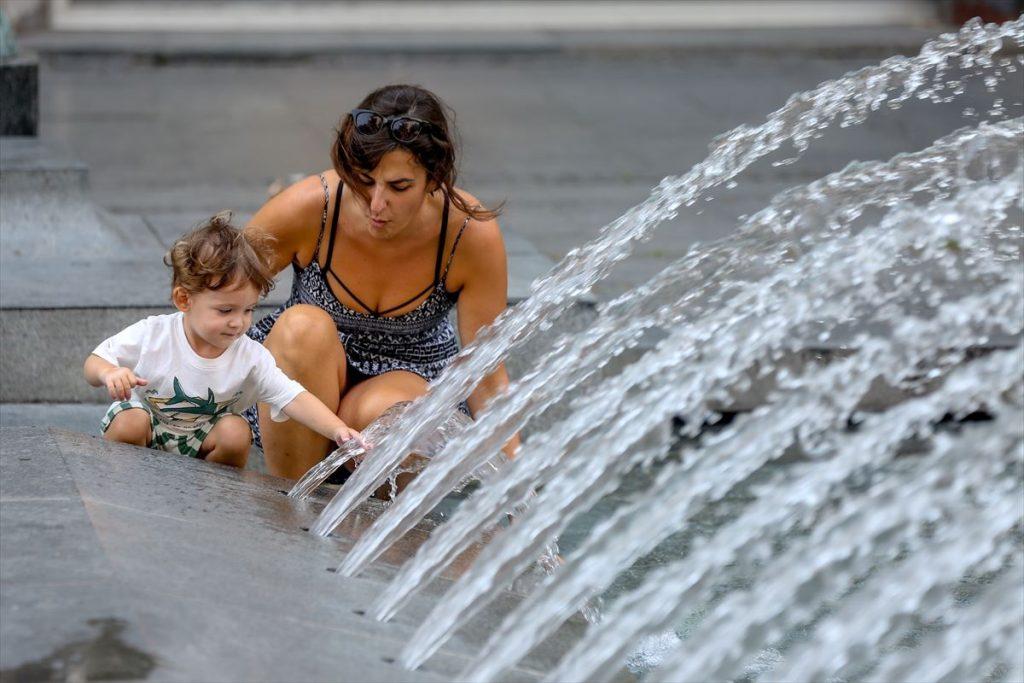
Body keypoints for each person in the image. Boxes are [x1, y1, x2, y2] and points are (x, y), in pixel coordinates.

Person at [243, 84, 519, 481]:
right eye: (365, 181)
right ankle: (289, 505)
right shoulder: (309, 207)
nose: (376, 204)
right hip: (305, 378)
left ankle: (366, 517)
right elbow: (215, 291)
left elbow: (486, 371)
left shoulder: (469, 236)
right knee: (301, 328)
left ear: (434, 178)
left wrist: (518, 490)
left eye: (399, 187)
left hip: (402, 389)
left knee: (402, 421)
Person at [84, 214, 367, 467]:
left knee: (235, 432)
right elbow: (94, 363)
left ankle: (213, 494)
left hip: (201, 439)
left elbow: (292, 396)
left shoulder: (249, 357)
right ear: (184, 299)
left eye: (248, 310)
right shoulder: (154, 335)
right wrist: (110, 372)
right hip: (148, 425)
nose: (239, 322)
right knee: (129, 423)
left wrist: (338, 430)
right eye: (225, 310)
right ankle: (120, 479)